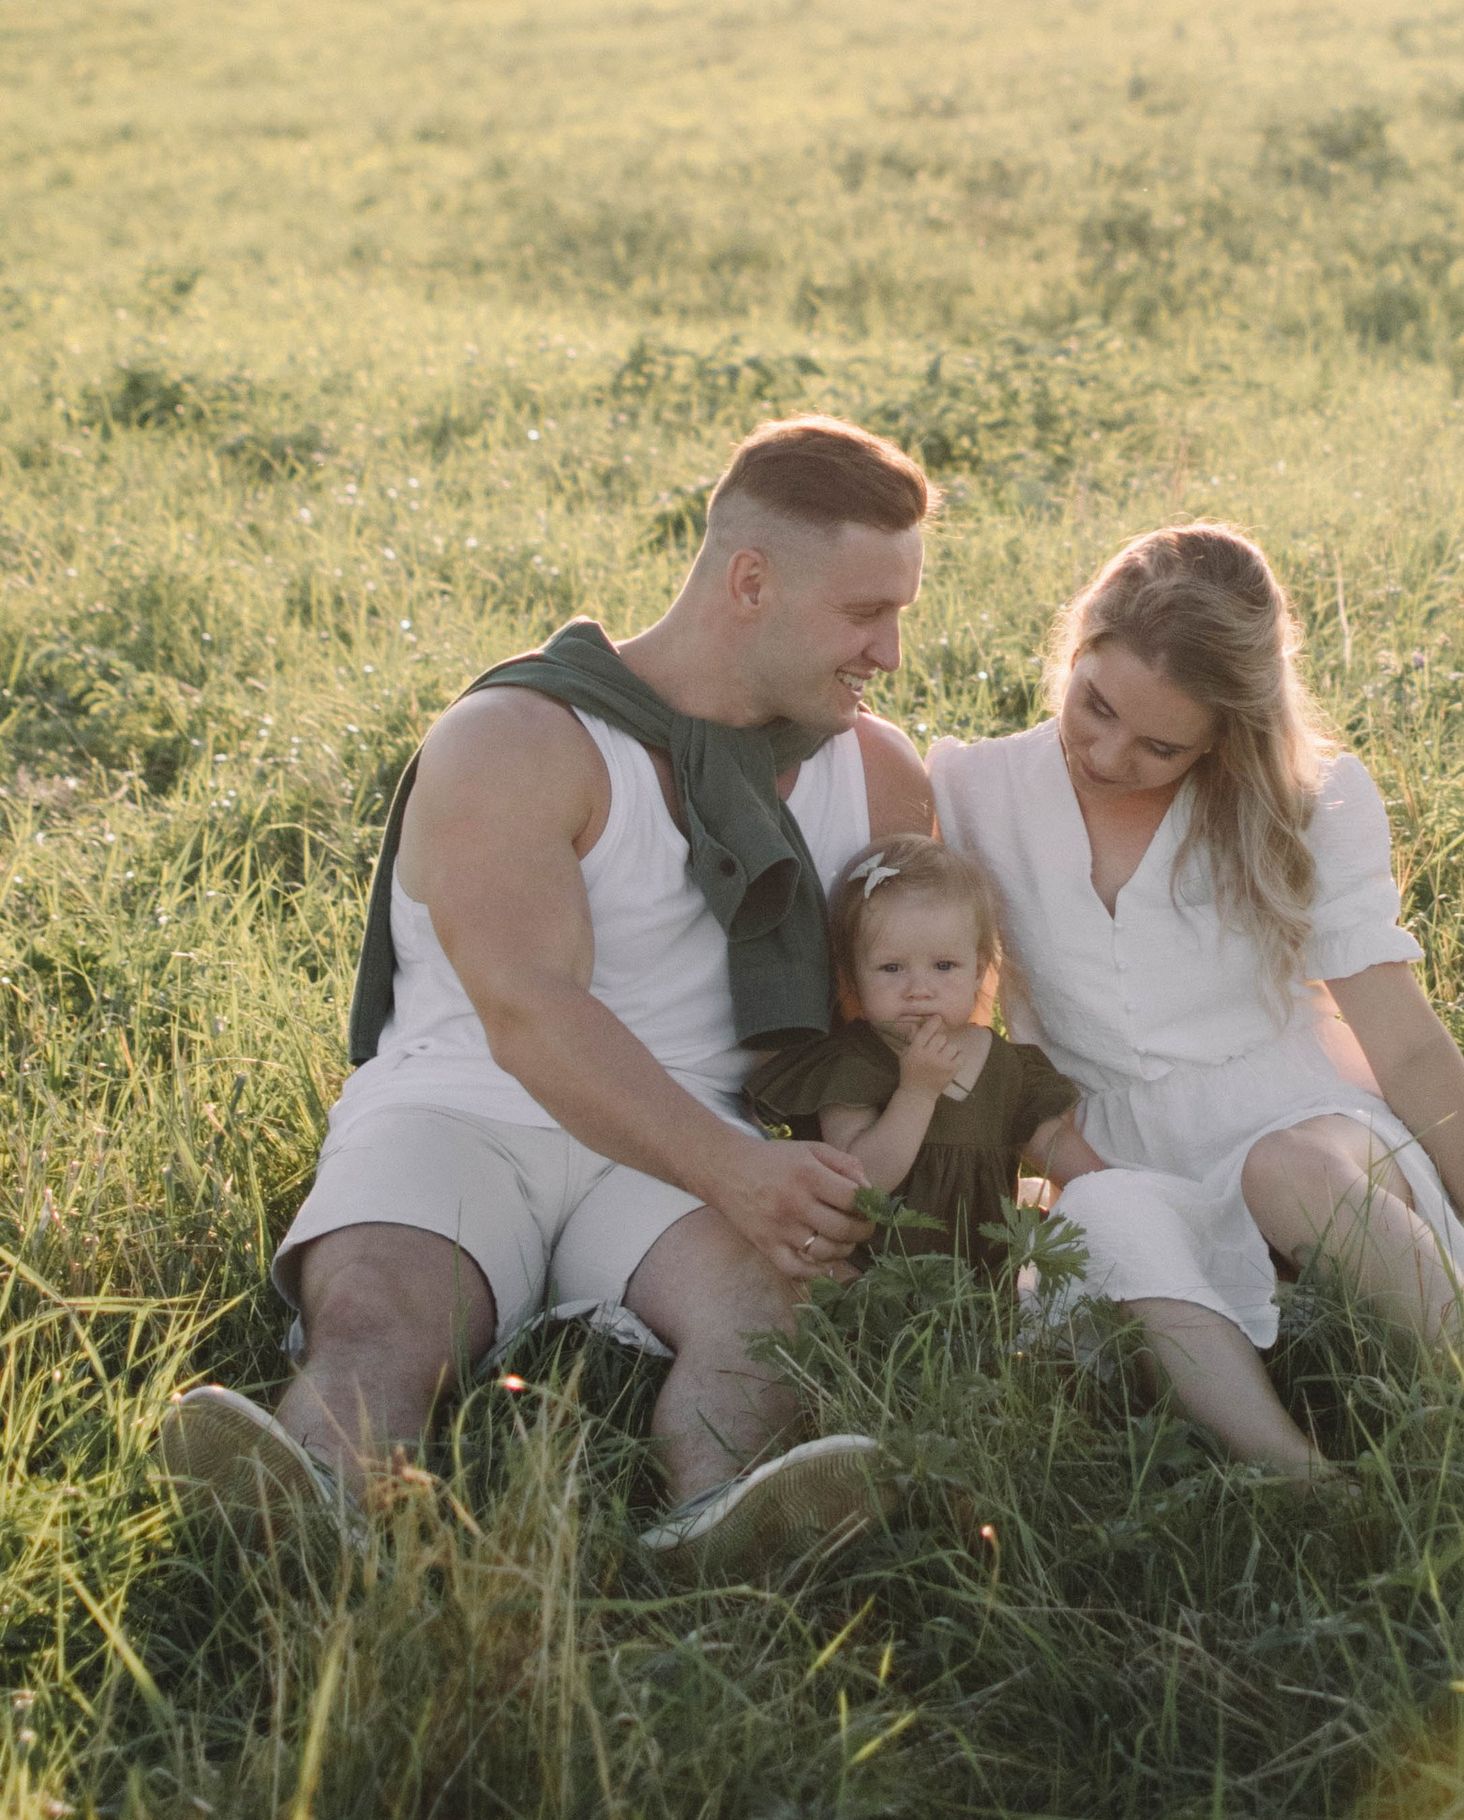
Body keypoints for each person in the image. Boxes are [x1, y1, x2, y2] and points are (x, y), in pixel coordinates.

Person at [158, 414, 938, 1585]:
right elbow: (528, 1012)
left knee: (776, 1321)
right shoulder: (522, 739)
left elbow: (901, 1006)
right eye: (863, 613)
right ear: (749, 581)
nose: (887, 652)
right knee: (379, 1311)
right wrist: (733, 1173)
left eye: (899, 616)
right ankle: (320, 1504)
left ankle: (718, 1523)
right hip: (463, 1103)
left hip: (683, 1137)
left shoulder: (877, 777)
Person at [929, 523, 1464, 1484]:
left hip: (1308, 1125)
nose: (1109, 753)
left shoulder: (1304, 801)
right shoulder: (971, 788)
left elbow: (1403, 1043)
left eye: (1160, 745)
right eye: (1096, 706)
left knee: (1282, 1168)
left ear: (1224, 738)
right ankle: (1297, 1478)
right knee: (1112, 1211)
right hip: (1118, 1149)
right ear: (1077, 647)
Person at [744, 837, 1107, 1268]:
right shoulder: (851, 1064)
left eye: (943, 966)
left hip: (980, 1296)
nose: (919, 989)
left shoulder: (1009, 1067)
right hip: (877, 1285)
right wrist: (916, 1092)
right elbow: (864, 1182)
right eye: (891, 968)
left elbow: (1052, 1144)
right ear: (851, 976)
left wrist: (1116, 1196)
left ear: (978, 970)